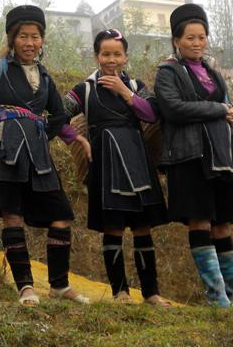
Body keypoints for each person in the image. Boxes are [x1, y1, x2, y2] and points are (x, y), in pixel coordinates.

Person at [0, 5, 88, 306]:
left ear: (42, 40)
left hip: (37, 156)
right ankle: (25, 287)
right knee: (12, 216)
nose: (30, 42)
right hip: (4, 150)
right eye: (23, 36)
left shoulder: (46, 78)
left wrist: (75, 139)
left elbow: (58, 116)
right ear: (12, 39)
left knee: (62, 214)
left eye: (35, 36)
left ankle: (59, 285)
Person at [154, 3, 233, 312]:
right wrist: (218, 111)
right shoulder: (167, 72)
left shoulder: (213, 72)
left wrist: (232, 117)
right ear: (176, 41)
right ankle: (217, 299)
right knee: (200, 221)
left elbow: (230, 109)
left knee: (223, 223)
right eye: (190, 38)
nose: (197, 43)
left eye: (201, 37)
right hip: (189, 158)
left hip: (220, 157)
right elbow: (173, 108)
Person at [61, 29, 172, 307]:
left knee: (143, 228)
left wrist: (124, 93)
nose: (112, 60)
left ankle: (151, 293)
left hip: (137, 160)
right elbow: (58, 115)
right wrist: (77, 138)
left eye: (117, 54)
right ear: (97, 56)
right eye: (106, 54)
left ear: (125, 57)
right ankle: (119, 292)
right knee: (113, 229)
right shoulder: (84, 89)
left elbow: (151, 113)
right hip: (105, 163)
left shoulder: (136, 85)